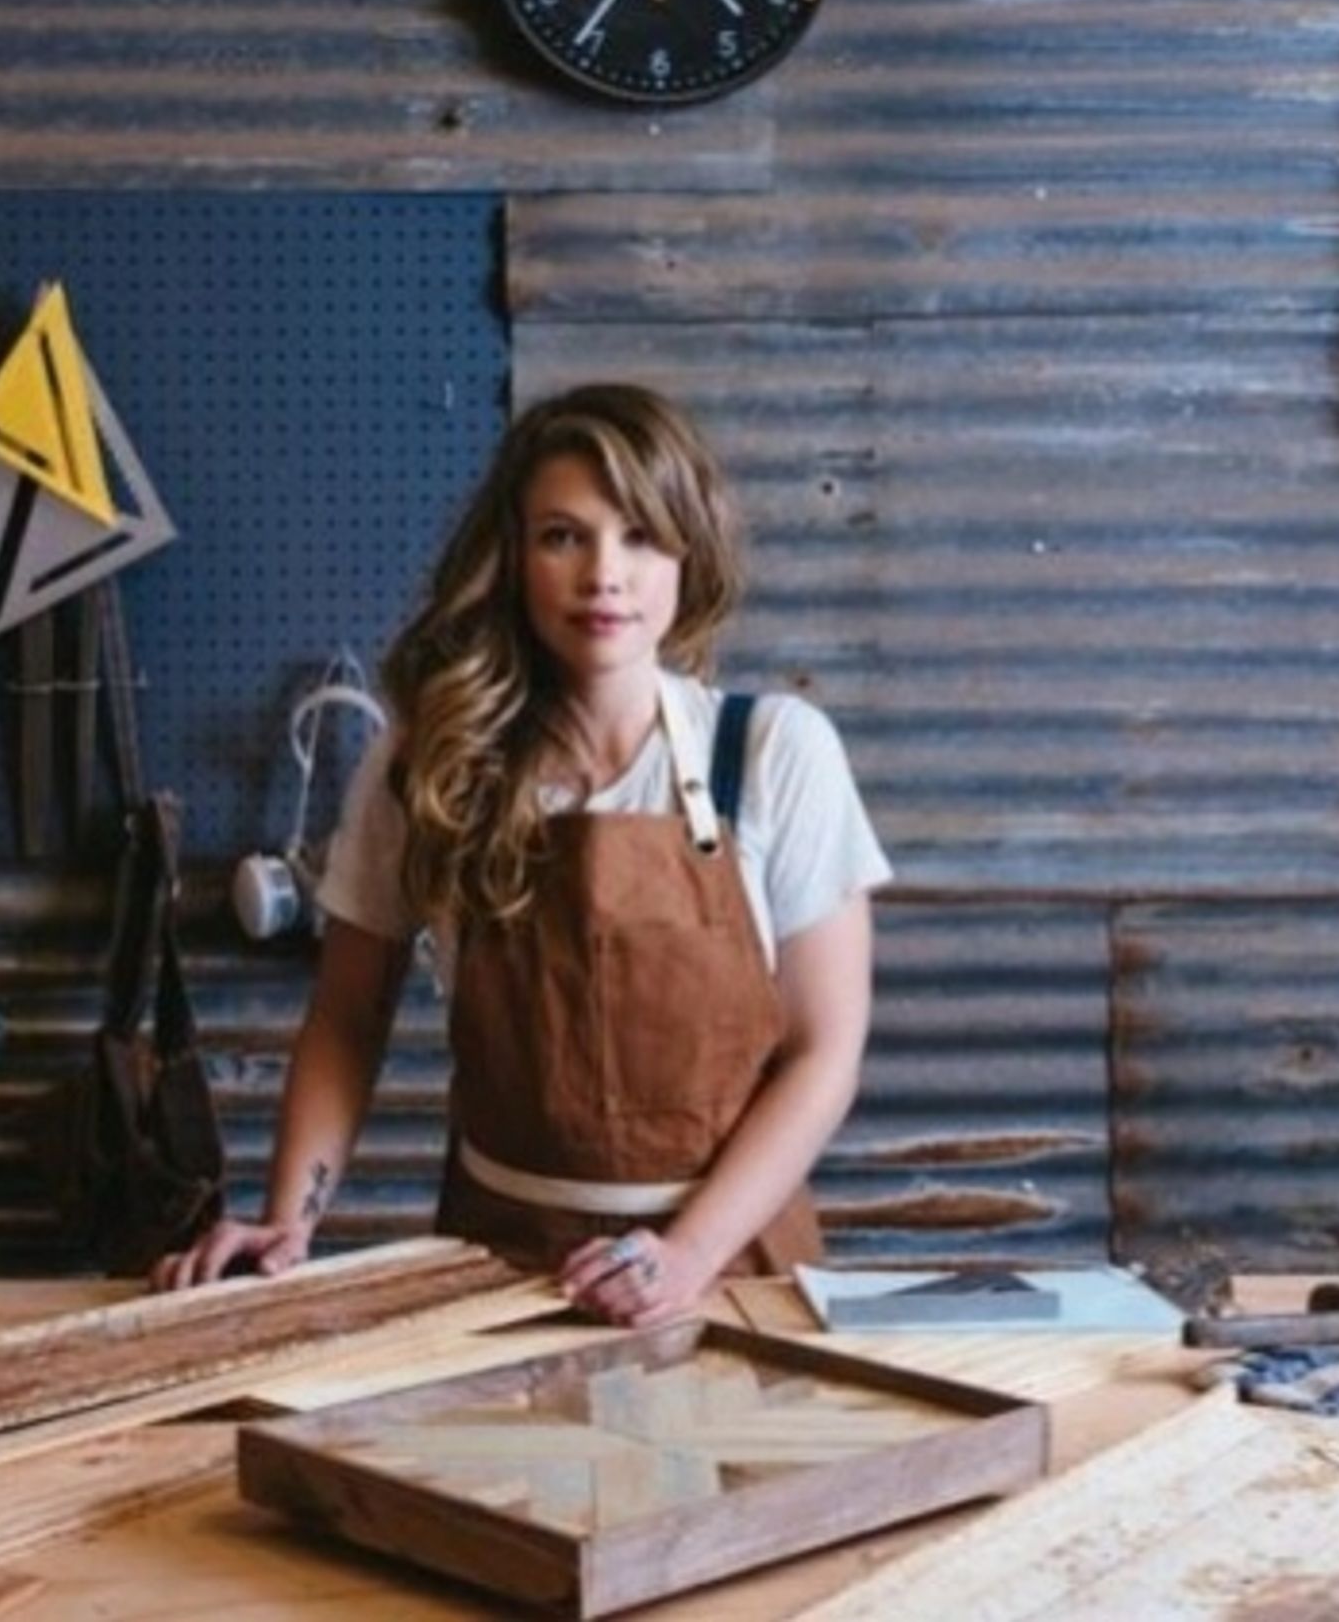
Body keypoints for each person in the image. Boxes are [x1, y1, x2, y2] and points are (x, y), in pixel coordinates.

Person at [154, 383, 891, 1323]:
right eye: (562, 536)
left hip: (729, 1266)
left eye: (640, 535)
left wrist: (684, 1255)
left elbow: (824, 1051)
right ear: (512, 559)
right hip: (499, 1269)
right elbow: (347, 1016)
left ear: (687, 552)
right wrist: (289, 1222)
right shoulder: (430, 763)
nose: (604, 576)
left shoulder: (772, 751)